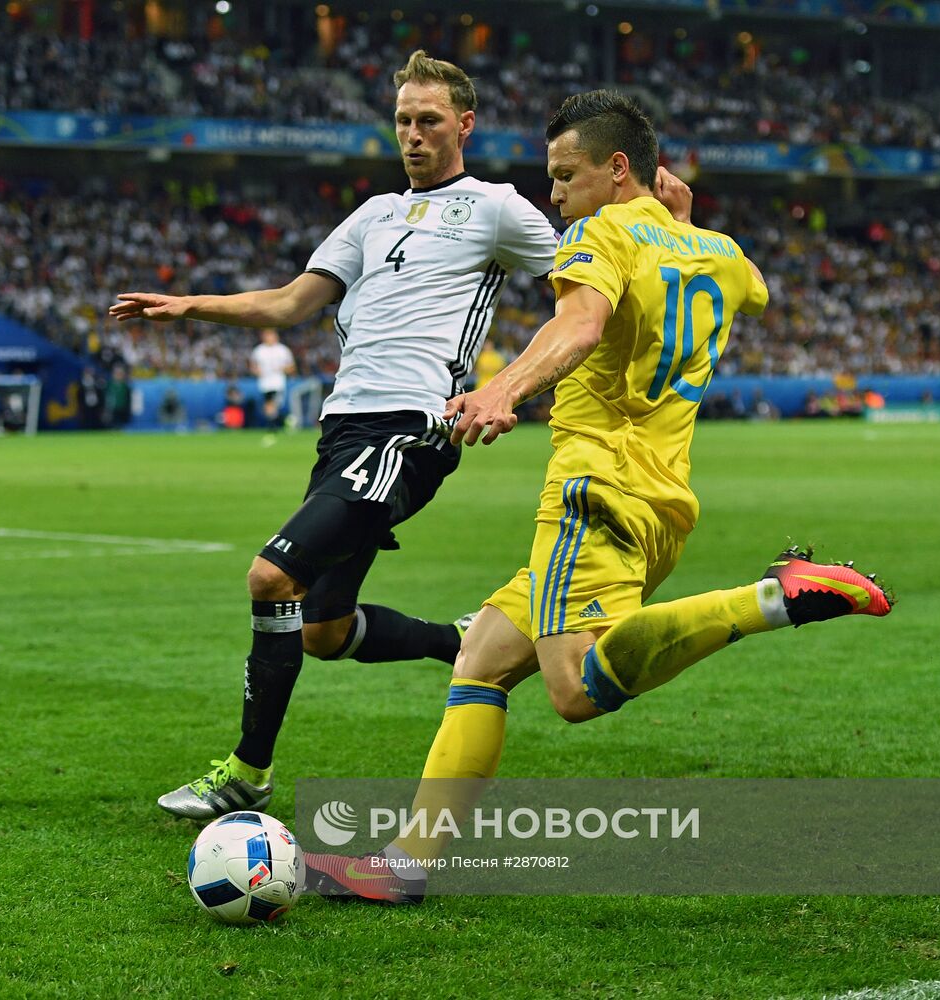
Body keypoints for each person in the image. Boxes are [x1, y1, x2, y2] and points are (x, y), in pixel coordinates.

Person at [303, 90, 894, 903]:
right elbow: (755, 286)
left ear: (618, 170)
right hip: (662, 498)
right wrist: (678, 218)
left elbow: (580, 325)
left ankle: (773, 599)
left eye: (567, 175)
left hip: (593, 485)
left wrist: (501, 388)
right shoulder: (714, 248)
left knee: (575, 689)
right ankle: (408, 864)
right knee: (480, 658)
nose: (555, 196)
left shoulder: (598, 232)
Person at [108, 50, 559, 821]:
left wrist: (506, 386)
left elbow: (586, 290)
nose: (413, 135)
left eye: (429, 121)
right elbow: (289, 304)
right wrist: (190, 306)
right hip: (343, 433)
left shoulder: (497, 207)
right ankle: (463, 640)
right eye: (403, 122)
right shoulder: (371, 213)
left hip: (411, 430)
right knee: (321, 628)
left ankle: (247, 773)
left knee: (268, 578)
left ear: (465, 124)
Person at [251, 328, 297, 429]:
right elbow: (253, 366)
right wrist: (257, 371)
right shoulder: (259, 350)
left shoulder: (283, 350)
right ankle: (276, 425)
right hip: (264, 382)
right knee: (269, 404)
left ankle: (281, 422)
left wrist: (282, 369)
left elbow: (292, 366)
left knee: (274, 405)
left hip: (278, 382)